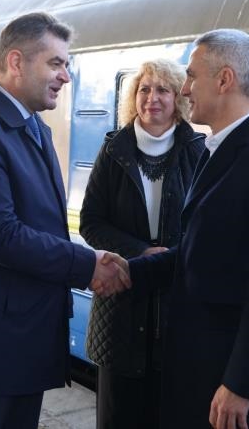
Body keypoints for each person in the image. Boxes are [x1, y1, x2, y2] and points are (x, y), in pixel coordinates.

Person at [100, 28, 249, 429]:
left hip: (229, 381)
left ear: (225, 79)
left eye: (192, 77)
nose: (186, 89)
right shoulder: (220, 150)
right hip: (204, 369)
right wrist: (130, 271)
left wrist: (241, 384)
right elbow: (202, 251)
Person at [0, 12, 129, 429]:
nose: (66, 76)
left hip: (20, 333)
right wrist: (88, 264)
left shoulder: (32, 127)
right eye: (55, 63)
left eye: (66, 64)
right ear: (16, 62)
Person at [80, 58, 205, 429]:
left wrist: (169, 259)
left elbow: (205, 227)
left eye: (163, 89)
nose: (152, 98)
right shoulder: (113, 151)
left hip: (177, 306)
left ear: (178, 98)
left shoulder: (197, 151)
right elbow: (91, 222)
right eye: (144, 89)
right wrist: (141, 252)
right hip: (121, 304)